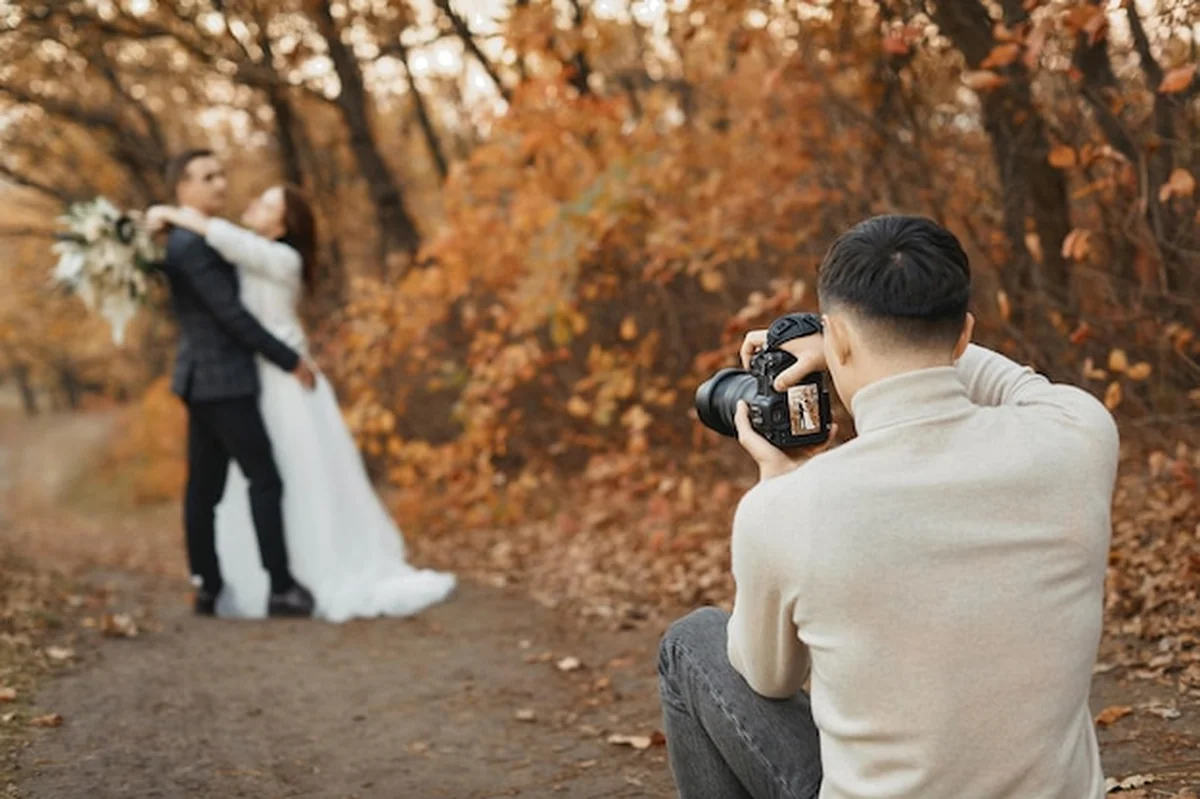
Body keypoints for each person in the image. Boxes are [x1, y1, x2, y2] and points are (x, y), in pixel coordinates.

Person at [658, 215, 1118, 799]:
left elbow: (767, 679)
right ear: (964, 335)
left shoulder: (785, 510)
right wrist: (854, 340)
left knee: (692, 642)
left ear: (839, 339)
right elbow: (1017, 384)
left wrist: (775, 483)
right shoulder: (1079, 434)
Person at [147, 184, 456, 623]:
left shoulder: (281, 257)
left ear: (283, 224)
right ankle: (270, 575)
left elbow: (218, 235)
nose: (252, 202)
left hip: (286, 377)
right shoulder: (254, 248)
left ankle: (308, 569)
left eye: (267, 204)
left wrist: (168, 211)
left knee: (295, 474)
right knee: (268, 478)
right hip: (260, 377)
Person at [157, 149, 317, 619]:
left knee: (204, 489)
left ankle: (208, 586)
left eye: (222, 174)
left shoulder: (194, 239)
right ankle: (281, 587)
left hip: (203, 379)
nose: (221, 184)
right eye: (208, 177)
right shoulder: (190, 244)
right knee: (262, 479)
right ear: (183, 188)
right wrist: (289, 359)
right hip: (223, 380)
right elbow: (231, 316)